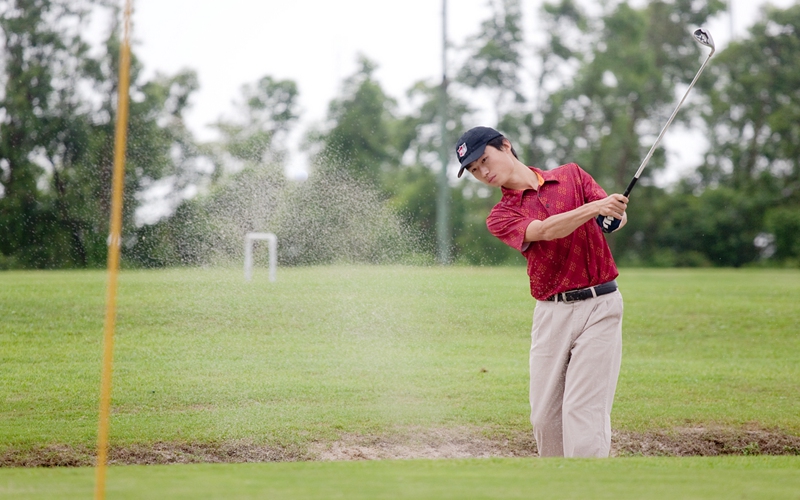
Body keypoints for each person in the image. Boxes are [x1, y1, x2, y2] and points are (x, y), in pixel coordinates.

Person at [454, 126, 628, 458]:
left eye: (484, 161)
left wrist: (614, 216)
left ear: (506, 146)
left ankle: (590, 489)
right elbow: (546, 230)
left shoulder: (572, 175)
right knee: (544, 419)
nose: (483, 173)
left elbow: (612, 218)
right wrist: (596, 209)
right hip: (552, 312)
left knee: (583, 411)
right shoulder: (501, 215)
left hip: (601, 305)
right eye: (474, 170)